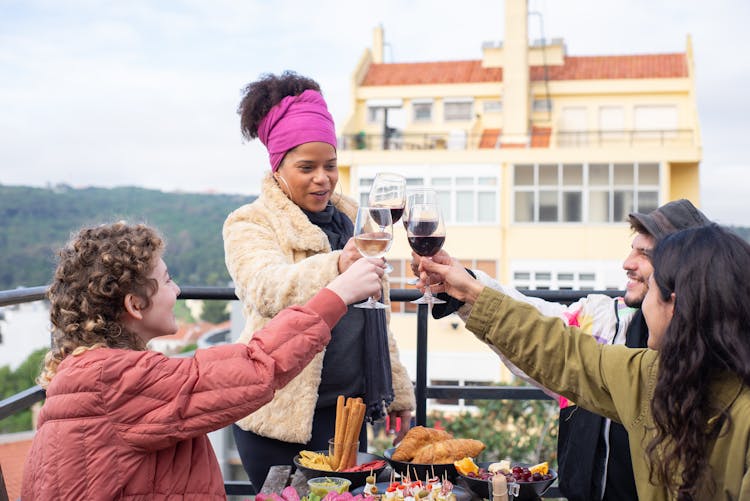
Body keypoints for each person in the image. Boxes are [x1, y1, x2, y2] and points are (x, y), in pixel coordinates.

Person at [20, 222, 386, 500]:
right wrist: (338, 294)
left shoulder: (90, 372)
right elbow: (253, 369)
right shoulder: (114, 379)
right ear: (134, 306)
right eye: (167, 280)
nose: (177, 290)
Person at [418, 224, 750, 500]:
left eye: (651, 286)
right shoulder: (652, 373)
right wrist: (472, 293)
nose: (628, 265)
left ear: (675, 305)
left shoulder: (661, 380)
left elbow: (562, 352)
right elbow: (560, 350)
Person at [223, 71, 415, 488]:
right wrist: (337, 268)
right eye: (306, 167)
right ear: (277, 168)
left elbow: (375, 318)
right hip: (276, 417)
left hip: (345, 414)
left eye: (330, 165)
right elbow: (265, 287)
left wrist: (399, 393)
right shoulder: (250, 222)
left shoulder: (351, 219)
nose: (322, 178)